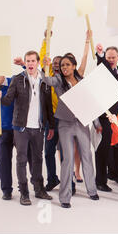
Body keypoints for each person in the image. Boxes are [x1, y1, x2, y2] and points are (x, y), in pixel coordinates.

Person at [0, 50, 54, 206]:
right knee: (21, 160)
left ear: (38, 62)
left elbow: (48, 106)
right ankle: (24, 193)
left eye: (33, 61)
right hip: (21, 128)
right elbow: (8, 101)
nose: (30, 64)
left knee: (38, 159)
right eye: (27, 61)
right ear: (25, 63)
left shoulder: (45, 80)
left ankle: (39, 189)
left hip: (38, 127)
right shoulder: (18, 79)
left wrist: (51, 126)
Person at [42, 47, 99, 208]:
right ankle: (65, 197)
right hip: (65, 124)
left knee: (87, 156)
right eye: (62, 66)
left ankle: (92, 190)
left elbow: (90, 103)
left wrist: (97, 124)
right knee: (67, 160)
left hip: (82, 124)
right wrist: (46, 67)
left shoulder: (81, 81)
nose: (64, 67)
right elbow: (47, 80)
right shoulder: (59, 80)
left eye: (67, 65)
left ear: (74, 66)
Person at [95, 44, 118, 191]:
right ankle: (100, 182)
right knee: (103, 148)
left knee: (114, 147)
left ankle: (114, 174)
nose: (111, 60)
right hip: (105, 115)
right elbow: (102, 66)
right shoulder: (104, 70)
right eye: (108, 58)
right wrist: (100, 55)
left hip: (117, 115)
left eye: (113, 57)